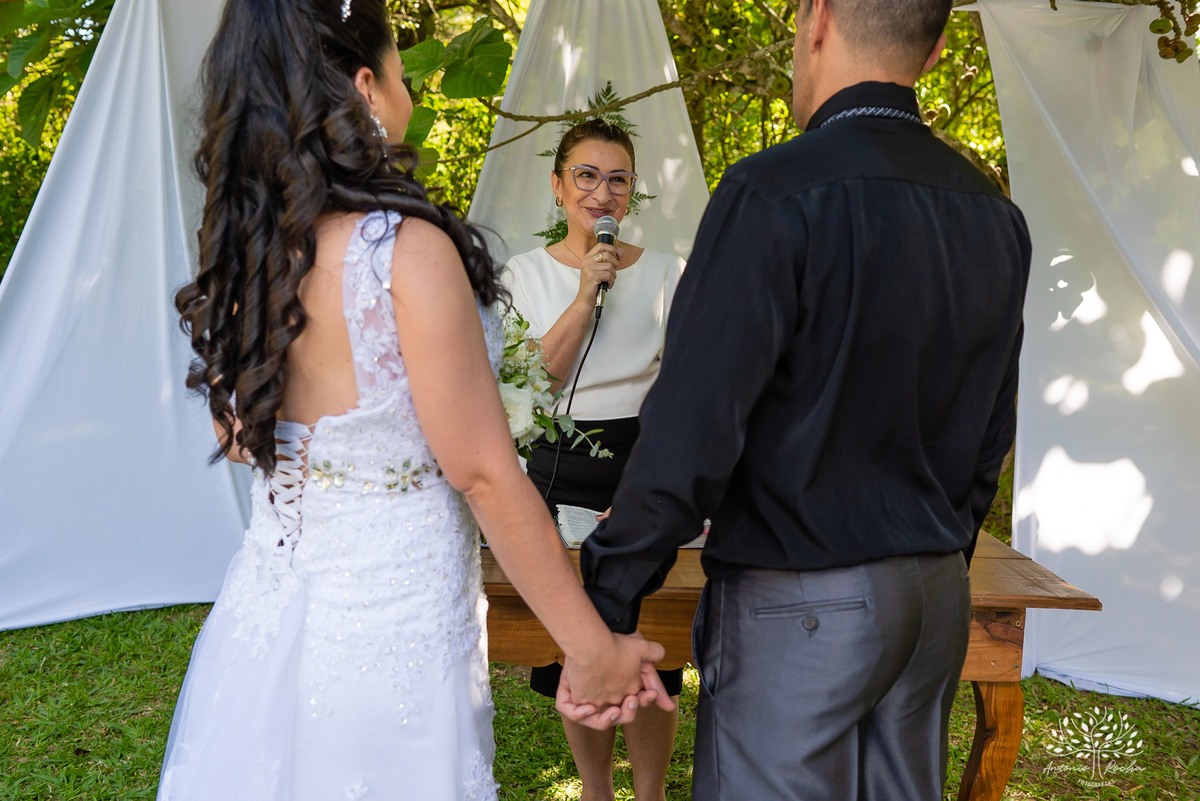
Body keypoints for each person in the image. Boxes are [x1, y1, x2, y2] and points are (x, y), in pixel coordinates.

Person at [157, 1, 670, 799]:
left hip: (264, 620)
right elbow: (485, 471)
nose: (408, 92)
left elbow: (239, 439)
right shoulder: (403, 253)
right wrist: (591, 648)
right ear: (366, 88)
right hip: (389, 634)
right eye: (400, 71)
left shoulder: (246, 250)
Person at [564, 0, 1032, 797]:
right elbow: (992, 428)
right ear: (939, 46)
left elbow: (694, 425)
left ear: (816, 19)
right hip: (932, 596)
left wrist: (607, 595)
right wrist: (941, 552)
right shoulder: (995, 214)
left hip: (802, 604)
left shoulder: (771, 192)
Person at [502, 119, 686, 801]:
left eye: (617, 179)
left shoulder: (669, 274)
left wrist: (651, 489)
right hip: (554, 467)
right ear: (558, 185)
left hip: (645, 470)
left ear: (630, 191)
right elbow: (529, 382)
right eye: (586, 175)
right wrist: (585, 294)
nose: (601, 192)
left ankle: (652, 791)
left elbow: (686, 391)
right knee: (578, 637)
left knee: (650, 638)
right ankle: (595, 789)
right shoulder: (521, 275)